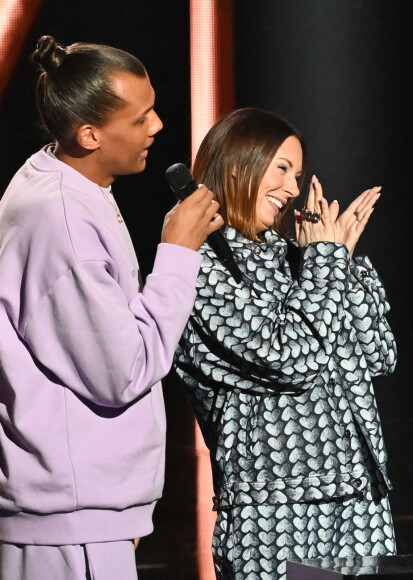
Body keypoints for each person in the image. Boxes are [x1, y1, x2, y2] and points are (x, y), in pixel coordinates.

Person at [0, 36, 222, 579]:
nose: (158, 127)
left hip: (83, 509)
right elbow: (122, 371)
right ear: (90, 134)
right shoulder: (60, 219)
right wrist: (176, 253)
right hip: (69, 518)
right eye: (140, 117)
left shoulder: (66, 184)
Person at [173, 108, 397, 579]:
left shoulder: (307, 258)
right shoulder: (201, 267)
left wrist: (344, 264)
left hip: (358, 501)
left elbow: (379, 355)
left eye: (297, 174)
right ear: (237, 164)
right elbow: (290, 359)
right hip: (274, 513)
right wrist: (325, 263)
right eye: (282, 168)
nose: (294, 189)